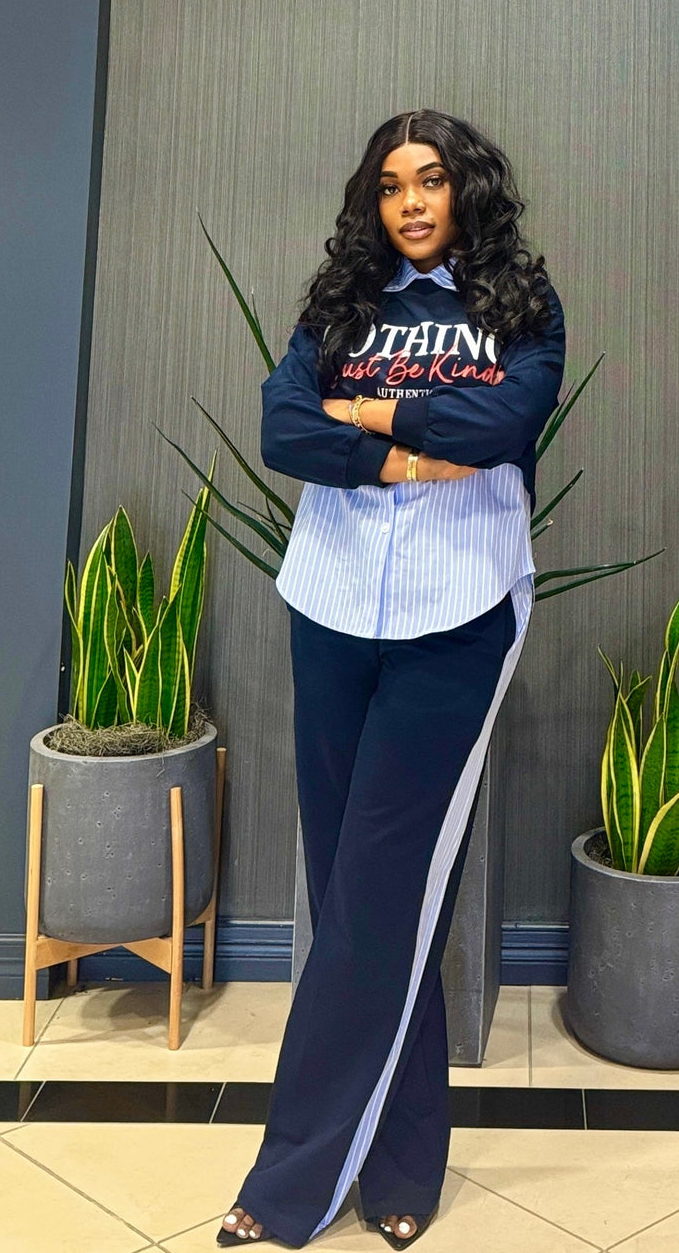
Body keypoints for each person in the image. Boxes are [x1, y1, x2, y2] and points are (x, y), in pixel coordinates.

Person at [218, 108, 565, 1248]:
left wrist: (361, 414)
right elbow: (284, 428)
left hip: (457, 617)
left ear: (466, 190)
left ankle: (290, 1185)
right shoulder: (341, 306)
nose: (410, 202)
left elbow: (503, 417)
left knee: (380, 892)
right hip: (329, 606)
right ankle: (404, 1161)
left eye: (430, 180)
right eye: (389, 185)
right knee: (355, 892)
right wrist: (411, 453)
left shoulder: (519, 305)